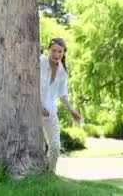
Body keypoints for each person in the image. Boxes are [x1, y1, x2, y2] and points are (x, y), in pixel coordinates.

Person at [40, 37, 81, 172]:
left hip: (50, 111)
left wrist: (72, 110)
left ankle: (50, 173)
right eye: (54, 51)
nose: (57, 54)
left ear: (63, 53)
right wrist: (38, 107)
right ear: (48, 50)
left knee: (55, 146)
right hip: (32, 110)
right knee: (37, 146)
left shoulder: (62, 72)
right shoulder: (40, 62)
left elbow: (62, 95)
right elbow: (28, 85)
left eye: (60, 52)